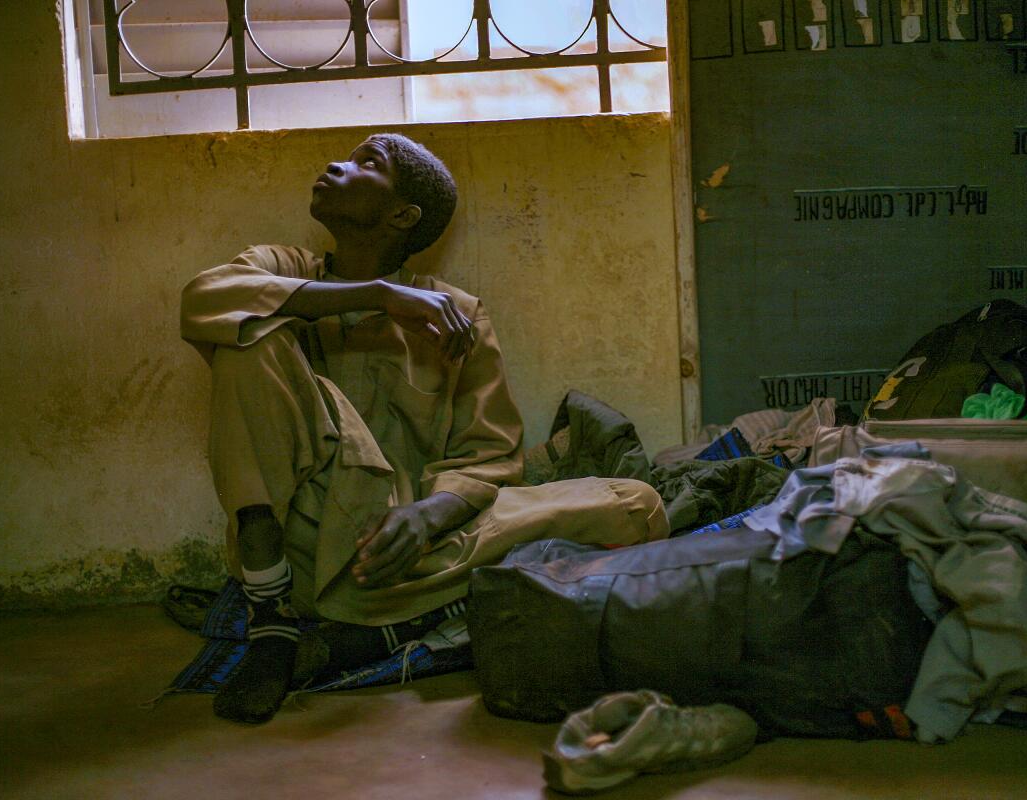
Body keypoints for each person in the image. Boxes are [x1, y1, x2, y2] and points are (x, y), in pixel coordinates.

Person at [181, 133, 668, 724]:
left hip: (402, 556)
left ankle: (342, 643)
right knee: (246, 334)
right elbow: (200, 300)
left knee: (636, 504)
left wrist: (423, 517)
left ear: (402, 214)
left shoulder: (457, 313)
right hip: (296, 548)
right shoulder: (278, 268)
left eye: (367, 163)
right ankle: (271, 618)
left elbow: (490, 453)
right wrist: (379, 297)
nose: (337, 165)